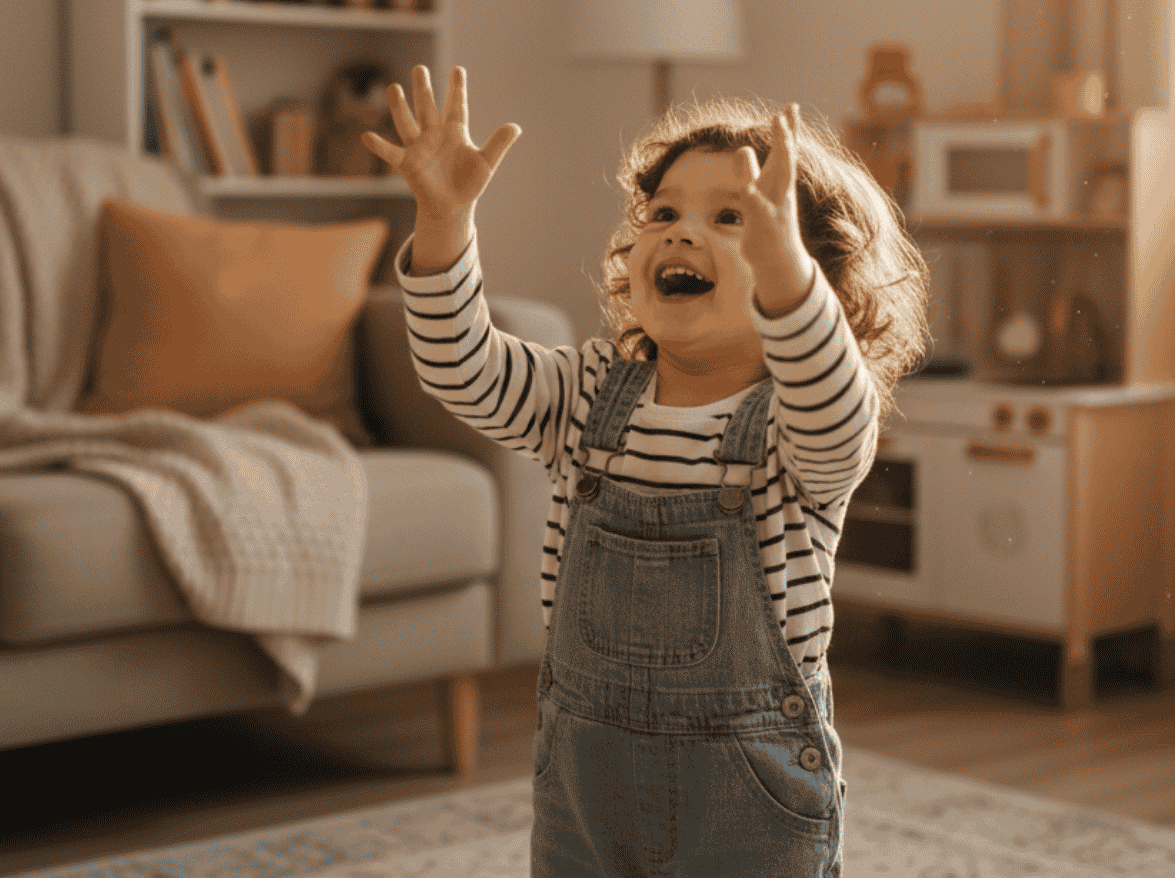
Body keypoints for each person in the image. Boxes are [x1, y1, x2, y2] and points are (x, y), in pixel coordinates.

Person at [365, 65, 928, 877]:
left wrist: (785, 278)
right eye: (663, 212)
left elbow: (835, 398)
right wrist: (444, 219)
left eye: (733, 217)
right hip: (584, 789)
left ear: (817, 281)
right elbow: (462, 368)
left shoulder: (798, 430)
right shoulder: (586, 391)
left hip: (749, 798)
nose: (680, 232)